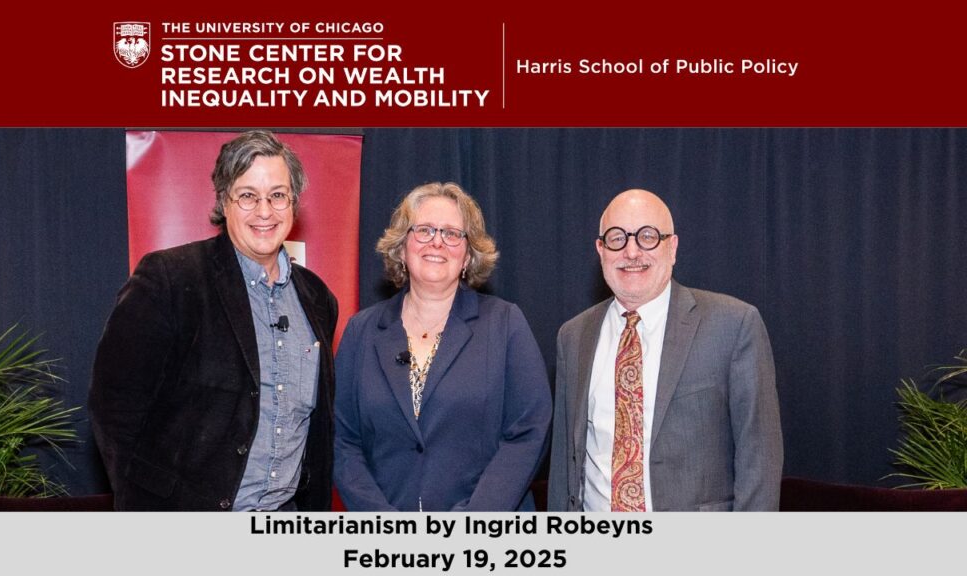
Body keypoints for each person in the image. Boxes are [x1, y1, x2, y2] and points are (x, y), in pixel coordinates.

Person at [89, 130, 338, 511]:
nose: (265, 211)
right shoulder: (170, 279)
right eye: (248, 196)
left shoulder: (318, 299)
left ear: (294, 203)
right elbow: (115, 408)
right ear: (224, 200)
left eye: (277, 195)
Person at [548, 189, 783, 511]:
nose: (631, 252)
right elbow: (564, 463)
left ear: (671, 247)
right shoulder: (573, 337)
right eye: (617, 238)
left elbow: (760, 458)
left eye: (647, 236)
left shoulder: (733, 325)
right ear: (600, 250)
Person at [334, 182, 551, 511]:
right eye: (423, 230)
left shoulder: (505, 323)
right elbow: (342, 440)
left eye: (452, 234)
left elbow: (529, 430)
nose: (437, 241)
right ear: (402, 247)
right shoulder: (362, 331)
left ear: (467, 254)